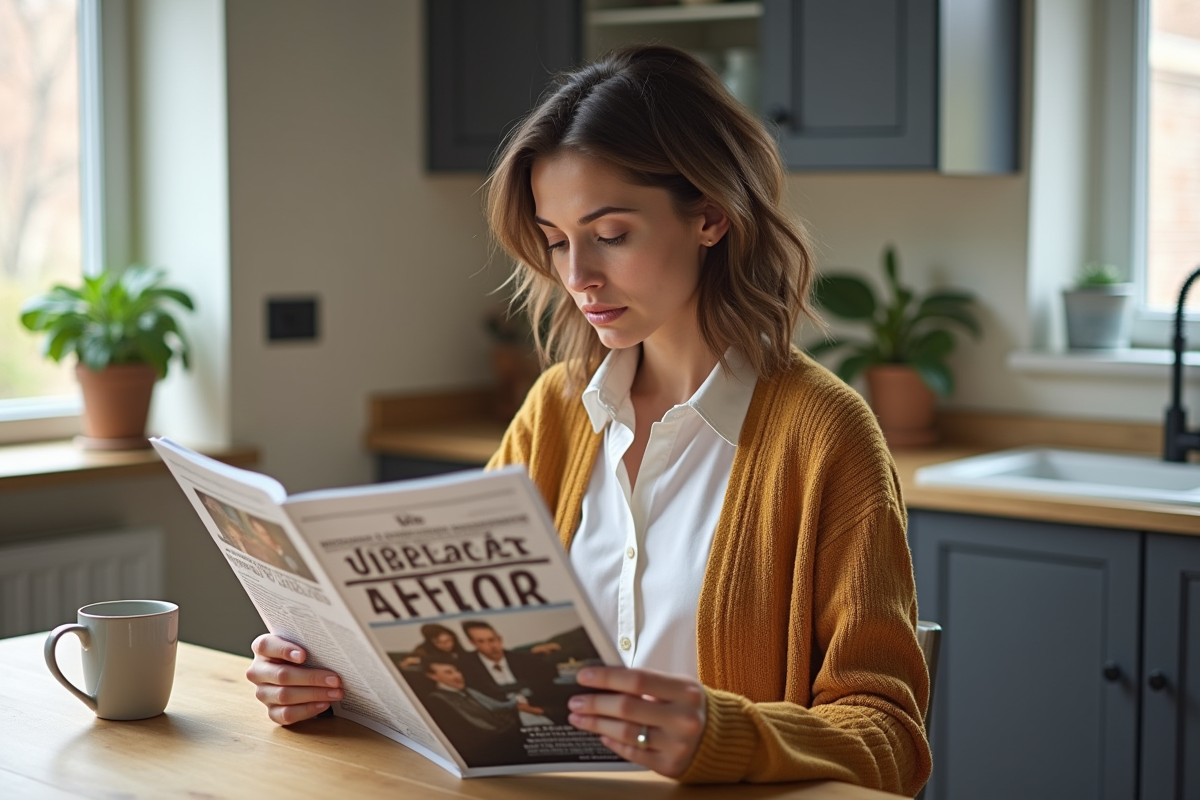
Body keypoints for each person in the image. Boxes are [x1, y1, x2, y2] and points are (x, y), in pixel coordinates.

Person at [245, 44, 931, 795]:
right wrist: (329, 681)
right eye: (557, 240)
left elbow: (890, 735)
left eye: (610, 235)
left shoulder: (826, 435)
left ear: (710, 215)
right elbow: (463, 670)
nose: (578, 278)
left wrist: (726, 735)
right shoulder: (554, 414)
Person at [455, 620, 565, 724]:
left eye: (492, 639)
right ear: (472, 643)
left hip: (537, 711)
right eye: (481, 641)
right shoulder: (466, 665)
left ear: (499, 639)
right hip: (500, 719)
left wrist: (541, 710)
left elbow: (547, 689)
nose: (491, 646)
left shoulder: (524, 660)